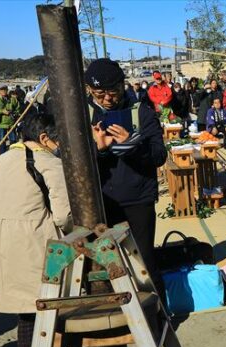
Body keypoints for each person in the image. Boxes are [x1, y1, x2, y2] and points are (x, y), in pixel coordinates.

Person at [0, 112, 71, 347]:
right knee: (47, 308)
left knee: (26, 312)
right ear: (44, 138)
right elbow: (64, 215)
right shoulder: (45, 161)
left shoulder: (0, 160)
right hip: (32, 242)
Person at [85, 58, 166, 295]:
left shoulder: (141, 112)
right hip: (99, 201)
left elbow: (159, 155)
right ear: (89, 90)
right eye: (100, 94)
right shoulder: (82, 115)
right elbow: (66, 158)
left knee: (143, 259)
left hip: (138, 199)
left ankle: (157, 312)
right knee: (105, 262)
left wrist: (133, 145)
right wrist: (97, 149)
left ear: (123, 85)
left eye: (113, 92)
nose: (107, 99)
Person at [0, 84, 19, 154]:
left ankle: (13, 154)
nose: (4, 91)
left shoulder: (12, 99)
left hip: (11, 123)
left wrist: (15, 113)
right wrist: (1, 111)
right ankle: (3, 155)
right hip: (1, 124)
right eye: (2, 90)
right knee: (2, 141)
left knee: (13, 140)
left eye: (5, 89)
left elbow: (18, 108)